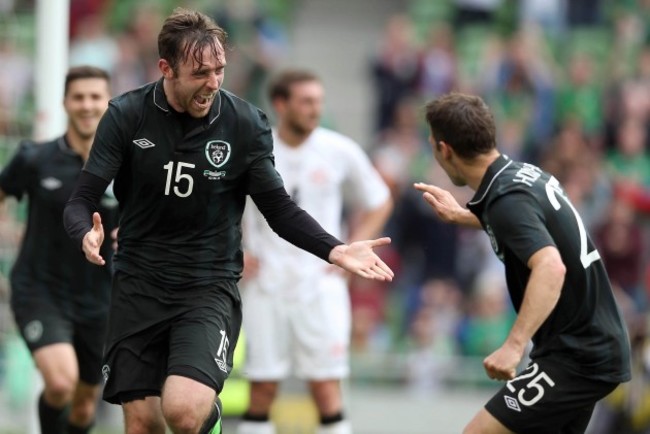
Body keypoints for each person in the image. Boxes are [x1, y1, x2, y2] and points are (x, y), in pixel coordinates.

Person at [62, 8, 393, 434]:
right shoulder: (127, 115)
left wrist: (335, 248)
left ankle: (209, 419)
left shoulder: (244, 124)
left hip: (206, 287)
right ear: (166, 68)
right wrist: (84, 233)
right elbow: (81, 200)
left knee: (182, 412)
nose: (213, 83)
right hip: (137, 286)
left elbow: (279, 209)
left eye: (219, 70)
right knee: (143, 423)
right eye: (200, 72)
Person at [413, 92, 631, 434]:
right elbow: (529, 223)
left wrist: (513, 347)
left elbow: (550, 266)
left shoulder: (505, 201)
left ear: (445, 149)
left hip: (577, 356)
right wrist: (465, 216)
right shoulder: (520, 175)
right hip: (589, 346)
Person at [237, 69, 393, 434]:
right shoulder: (256, 149)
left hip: (321, 284)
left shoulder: (338, 149)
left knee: (326, 389)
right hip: (265, 284)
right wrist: (238, 250)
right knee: (261, 390)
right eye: (306, 101)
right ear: (280, 104)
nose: (315, 109)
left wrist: (352, 247)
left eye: (318, 101)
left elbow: (380, 200)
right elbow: (220, 203)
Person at [0, 66, 117, 434]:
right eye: (78, 97)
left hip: (101, 299)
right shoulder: (36, 158)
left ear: (108, 103)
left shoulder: (126, 167)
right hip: (40, 290)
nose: (87, 105)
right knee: (61, 383)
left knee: (83, 408)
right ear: (65, 102)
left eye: (95, 97)